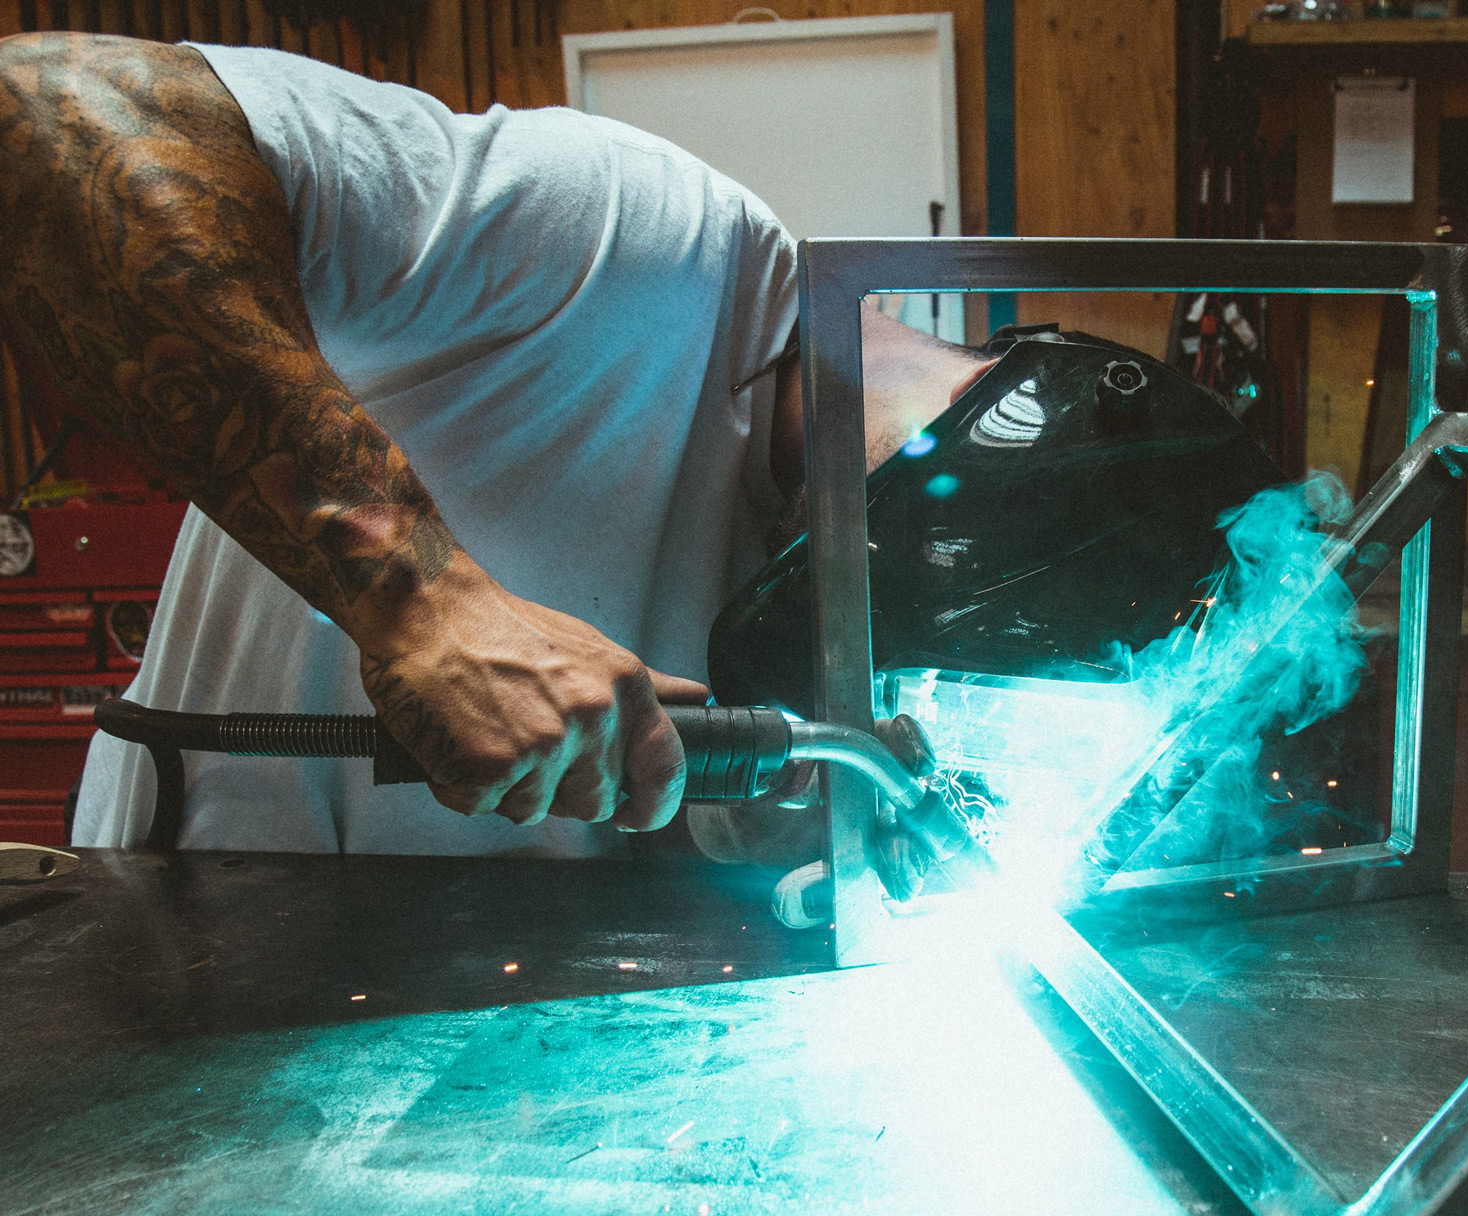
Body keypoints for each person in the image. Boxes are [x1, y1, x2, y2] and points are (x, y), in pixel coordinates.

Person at [0, 32, 990, 855]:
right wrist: (421, 603)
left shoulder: (803, 585)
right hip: (203, 923)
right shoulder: (636, 238)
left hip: (468, 993)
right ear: (985, 417)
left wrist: (801, 827)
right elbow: (45, 111)